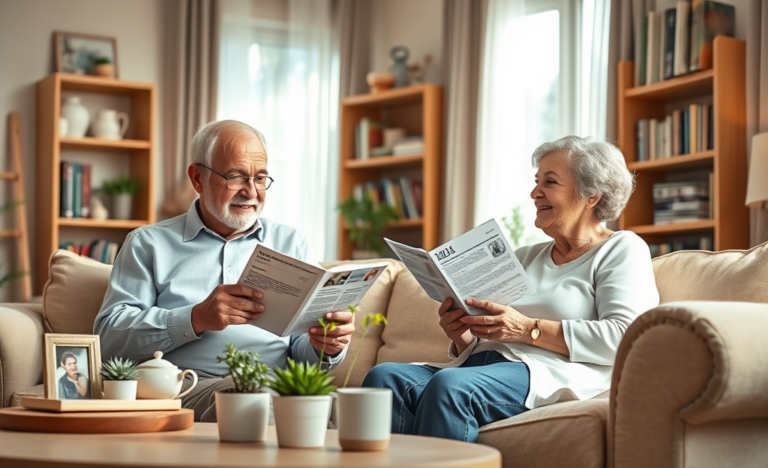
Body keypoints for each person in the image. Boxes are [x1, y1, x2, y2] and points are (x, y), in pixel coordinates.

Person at [362, 135, 660, 442]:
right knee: (384, 378)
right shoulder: (525, 256)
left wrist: (527, 329)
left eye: (550, 182)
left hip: (545, 373)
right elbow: (493, 339)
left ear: (591, 195)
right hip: (485, 365)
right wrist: (463, 334)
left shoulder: (622, 249)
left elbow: (626, 335)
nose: (534, 192)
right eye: (536, 180)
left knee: (451, 387)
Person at [95, 120, 355, 421]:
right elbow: (108, 339)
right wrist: (195, 318)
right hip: (191, 387)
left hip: (280, 388)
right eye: (235, 177)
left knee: (357, 408)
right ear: (197, 178)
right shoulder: (148, 244)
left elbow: (302, 355)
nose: (251, 191)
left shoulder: (291, 242)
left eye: (260, 178)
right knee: (253, 399)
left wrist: (327, 345)